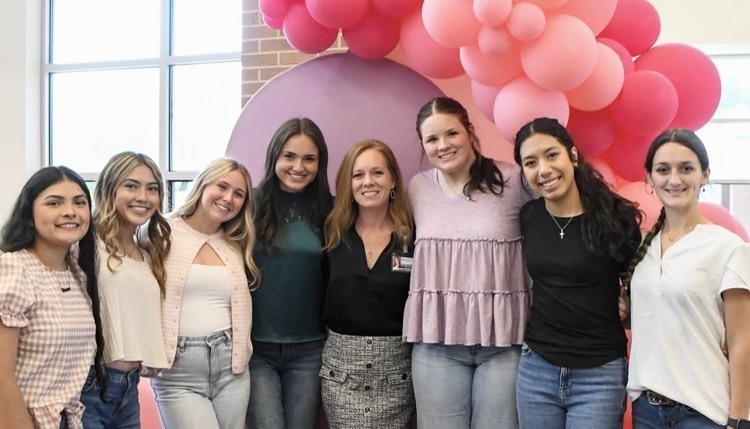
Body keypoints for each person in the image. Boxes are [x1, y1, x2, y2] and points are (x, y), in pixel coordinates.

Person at [402, 96, 531, 429]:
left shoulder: (514, 180)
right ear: (422, 144)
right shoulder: (418, 188)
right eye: (432, 139)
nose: (443, 145)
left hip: (503, 344)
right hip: (436, 345)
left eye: (451, 134)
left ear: (469, 132)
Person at [512, 118, 642, 429]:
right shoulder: (529, 217)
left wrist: (628, 303)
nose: (543, 169)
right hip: (537, 369)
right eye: (531, 162)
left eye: (551, 155)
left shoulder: (615, 219)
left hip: (599, 374)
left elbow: (644, 288)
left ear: (572, 155)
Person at [625, 129, 750, 428]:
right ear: (650, 178)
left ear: (705, 175)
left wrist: (739, 420)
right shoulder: (644, 248)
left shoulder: (729, 247)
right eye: (663, 170)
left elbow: (741, 341)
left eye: (687, 168)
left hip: (703, 412)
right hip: (647, 410)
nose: (675, 179)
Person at [150, 158, 259, 429]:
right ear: (202, 185)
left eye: (238, 194)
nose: (228, 198)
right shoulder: (160, 232)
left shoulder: (236, 243)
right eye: (222, 186)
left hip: (231, 367)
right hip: (178, 371)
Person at [0, 166, 105, 429]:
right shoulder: (14, 269)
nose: (70, 211)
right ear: (28, 215)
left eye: (80, 202)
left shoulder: (76, 273)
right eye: (54, 203)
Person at [321, 139, 416, 429]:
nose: (368, 182)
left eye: (377, 173)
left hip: (396, 374)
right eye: (358, 174)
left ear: (393, 181)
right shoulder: (331, 235)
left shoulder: (413, 237)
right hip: (341, 372)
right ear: (347, 183)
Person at [245, 117, 332, 429]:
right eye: (289, 156)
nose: (299, 167)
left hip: (310, 348)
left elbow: (387, 201)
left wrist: (393, 195)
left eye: (309, 158)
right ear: (274, 158)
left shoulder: (330, 208)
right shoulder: (249, 203)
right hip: (255, 348)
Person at [79, 152, 171, 428]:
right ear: (110, 189)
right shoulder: (85, 242)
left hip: (129, 387)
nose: (143, 196)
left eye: (152, 188)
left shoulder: (146, 252)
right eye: (131, 186)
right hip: (89, 384)